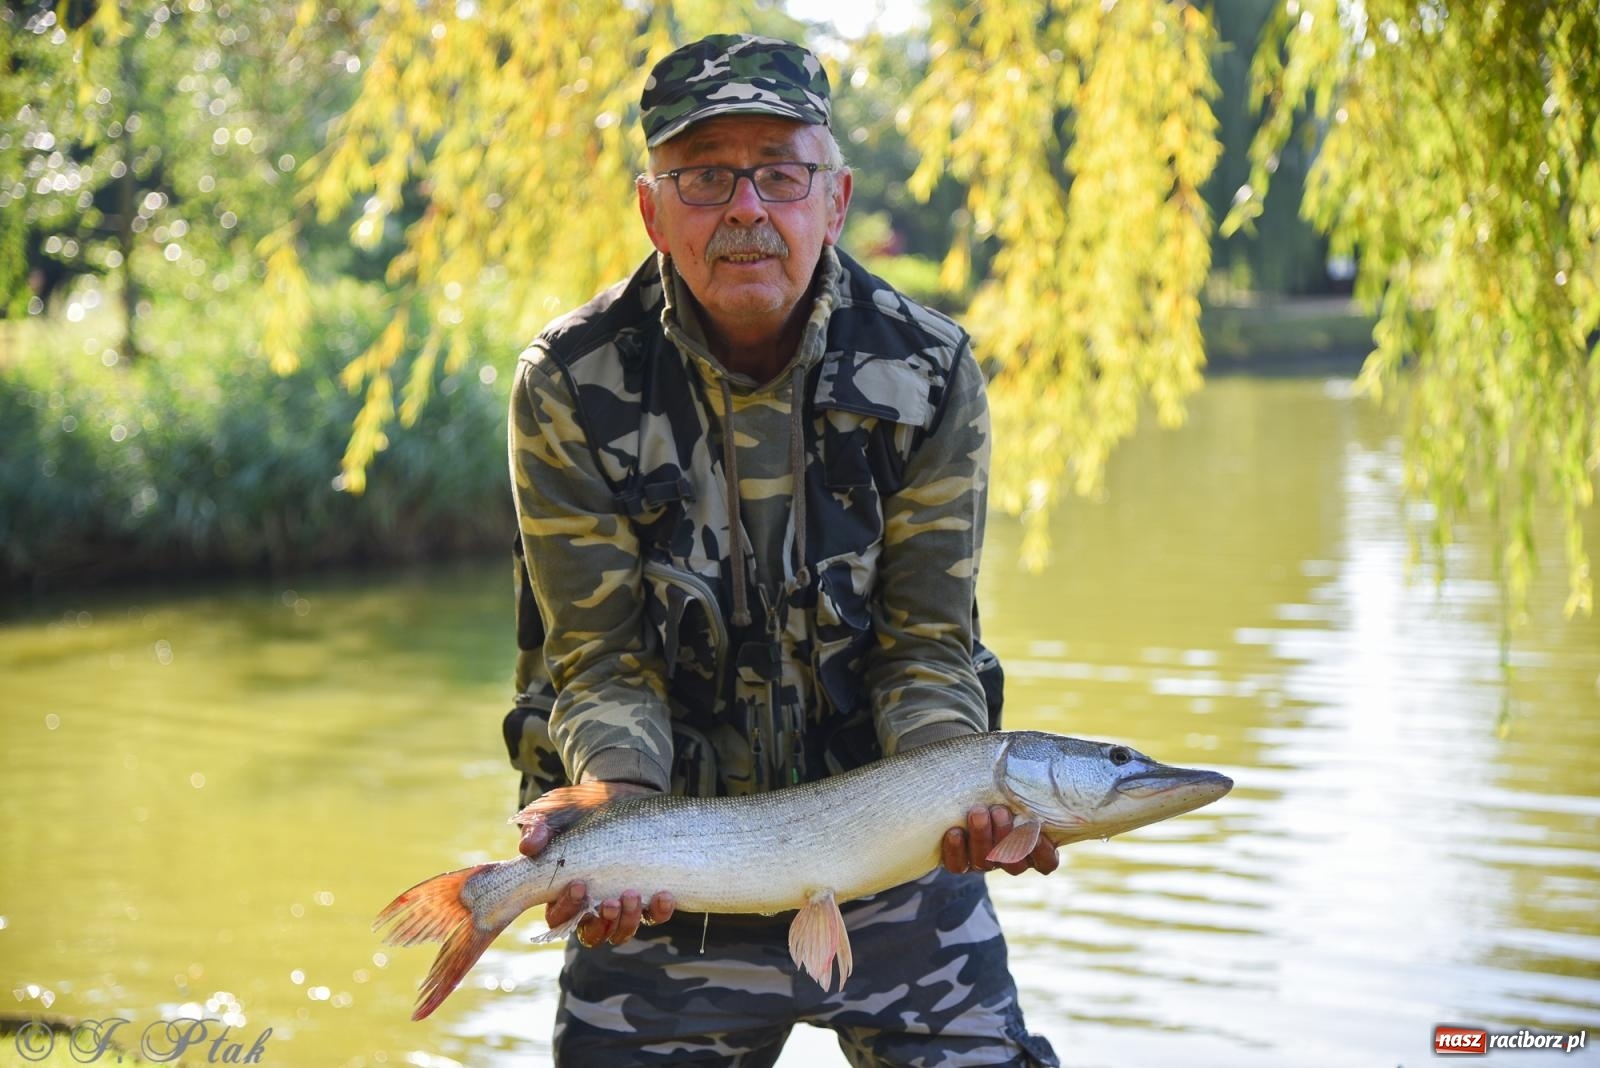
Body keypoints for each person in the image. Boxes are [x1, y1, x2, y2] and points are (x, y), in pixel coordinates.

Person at [503, 33, 1060, 1067]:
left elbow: (926, 643)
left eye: (779, 174)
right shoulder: (569, 382)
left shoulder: (930, 372)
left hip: (894, 866)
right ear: (652, 209)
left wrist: (952, 791)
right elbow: (599, 658)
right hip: (669, 885)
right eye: (706, 176)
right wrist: (620, 814)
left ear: (834, 199)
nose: (747, 208)